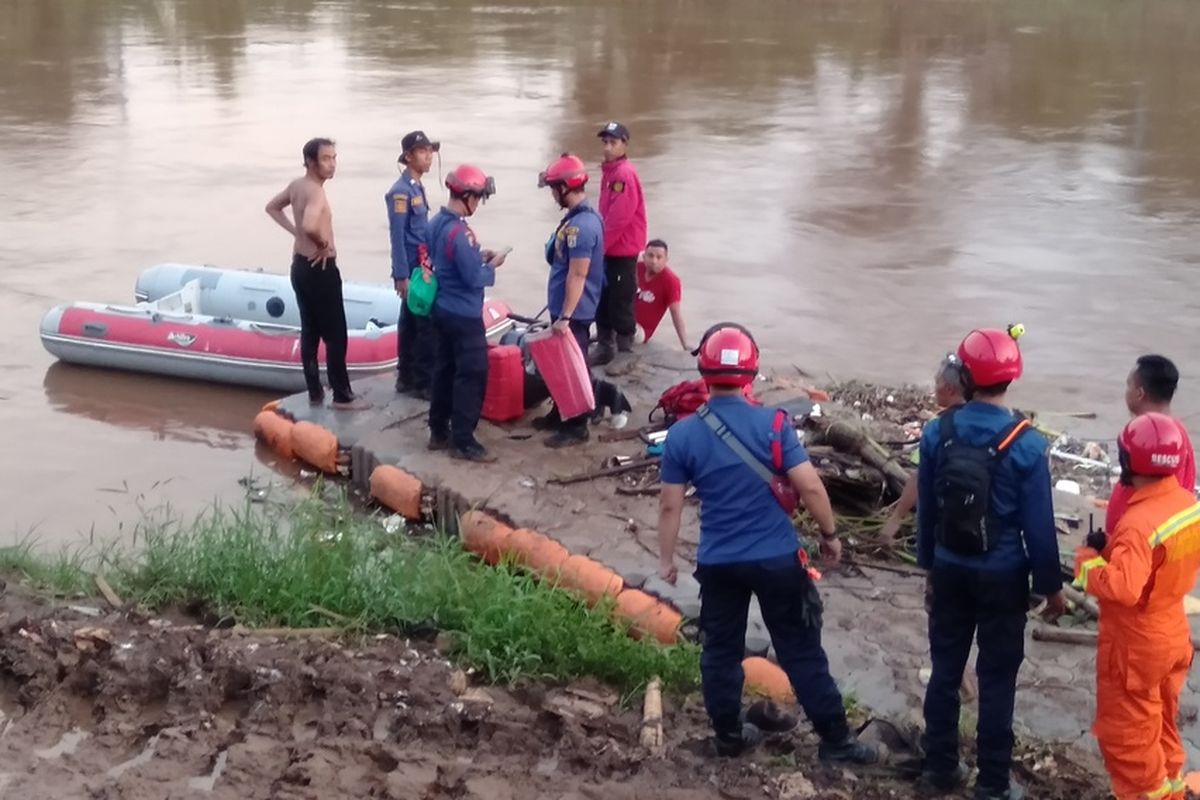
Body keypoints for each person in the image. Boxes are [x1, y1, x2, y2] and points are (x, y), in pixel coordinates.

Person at [657, 322, 882, 766]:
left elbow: (670, 507)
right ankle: (837, 743)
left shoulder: (682, 434)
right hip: (777, 560)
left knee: (720, 650)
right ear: (752, 372)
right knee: (801, 651)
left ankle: (728, 736)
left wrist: (666, 559)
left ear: (703, 370)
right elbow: (812, 490)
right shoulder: (774, 424)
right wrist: (830, 536)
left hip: (719, 562)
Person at [917, 327, 1065, 800]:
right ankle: (994, 784)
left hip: (949, 568)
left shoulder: (937, 431)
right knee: (997, 678)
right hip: (1002, 576)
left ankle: (940, 767)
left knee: (945, 668)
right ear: (1012, 379)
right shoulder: (1027, 444)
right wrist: (1050, 587)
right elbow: (1039, 527)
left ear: (963, 374)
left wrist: (929, 569)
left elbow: (928, 510)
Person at [1074, 413, 1200, 800]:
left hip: (1135, 647)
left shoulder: (1137, 524)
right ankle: (1173, 788)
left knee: (1129, 741)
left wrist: (1089, 559)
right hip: (1172, 632)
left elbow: (1124, 588)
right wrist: (1114, 550)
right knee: (1161, 724)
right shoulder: (1187, 504)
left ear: (1128, 461)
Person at [265, 137, 366, 410]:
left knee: (310, 330)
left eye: (334, 157)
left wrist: (295, 232)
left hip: (299, 265)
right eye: (326, 158)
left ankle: (315, 391)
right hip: (320, 268)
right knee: (336, 333)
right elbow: (310, 224)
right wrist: (322, 243)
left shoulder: (297, 186)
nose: (332, 164)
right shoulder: (316, 192)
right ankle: (343, 396)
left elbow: (272, 207)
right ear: (310, 161)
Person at [426, 165, 504, 462]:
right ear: (468, 196)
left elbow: (445, 261)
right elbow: (474, 277)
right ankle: (463, 440)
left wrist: (477, 258)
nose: (478, 204)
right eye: (478, 198)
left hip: (442, 308)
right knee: (471, 375)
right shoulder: (462, 233)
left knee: (444, 370)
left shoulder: (436, 224)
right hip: (464, 314)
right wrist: (491, 265)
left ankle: (438, 430)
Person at [534, 153, 606, 448]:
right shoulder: (575, 220)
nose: (553, 195)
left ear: (566, 187)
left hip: (574, 310)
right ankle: (561, 412)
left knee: (574, 368)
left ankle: (577, 425)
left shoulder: (582, 227)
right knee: (562, 365)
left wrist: (565, 316)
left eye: (554, 188)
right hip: (567, 307)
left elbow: (578, 274)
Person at [879, 354, 967, 541]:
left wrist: (896, 518)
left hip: (942, 526)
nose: (934, 389)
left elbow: (919, 477)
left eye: (937, 383)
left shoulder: (938, 427)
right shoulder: (986, 423)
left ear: (949, 389)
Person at [1105, 355, 1196, 532]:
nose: (1126, 392)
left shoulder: (1161, 444)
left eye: (1128, 385)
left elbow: (1160, 506)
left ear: (1139, 393)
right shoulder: (1171, 436)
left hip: (1139, 547)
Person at [388, 130, 440, 400]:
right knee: (423, 323)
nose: (429, 156)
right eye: (423, 151)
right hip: (411, 266)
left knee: (410, 320)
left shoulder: (417, 186)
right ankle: (421, 381)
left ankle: (406, 377)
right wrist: (401, 275)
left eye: (430, 151)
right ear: (408, 157)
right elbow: (397, 236)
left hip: (421, 263)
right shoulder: (400, 192)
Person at [590, 121, 647, 366]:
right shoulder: (611, 173)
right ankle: (606, 342)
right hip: (611, 247)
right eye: (605, 142)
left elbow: (619, 218)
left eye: (613, 142)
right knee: (603, 295)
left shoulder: (622, 175)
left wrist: (599, 246)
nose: (607, 147)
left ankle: (623, 347)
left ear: (624, 144)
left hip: (621, 249)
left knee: (619, 297)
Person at [634, 239, 689, 351]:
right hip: (623, 319)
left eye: (659, 257)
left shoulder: (671, 281)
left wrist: (685, 344)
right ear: (644, 257)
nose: (654, 261)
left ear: (666, 260)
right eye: (650, 256)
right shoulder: (636, 268)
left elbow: (676, 314)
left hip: (640, 331)